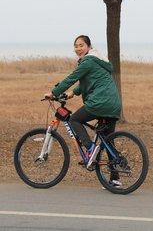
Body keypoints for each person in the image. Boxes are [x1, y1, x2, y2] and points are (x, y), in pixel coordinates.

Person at [44, 35, 121, 185]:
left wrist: (54, 92)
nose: (78, 49)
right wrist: (73, 93)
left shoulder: (88, 61)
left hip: (100, 102)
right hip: (113, 104)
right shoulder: (98, 61)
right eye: (76, 46)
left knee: (74, 119)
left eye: (81, 45)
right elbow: (90, 79)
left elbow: (72, 78)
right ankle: (115, 179)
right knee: (108, 141)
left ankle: (90, 148)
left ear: (89, 46)